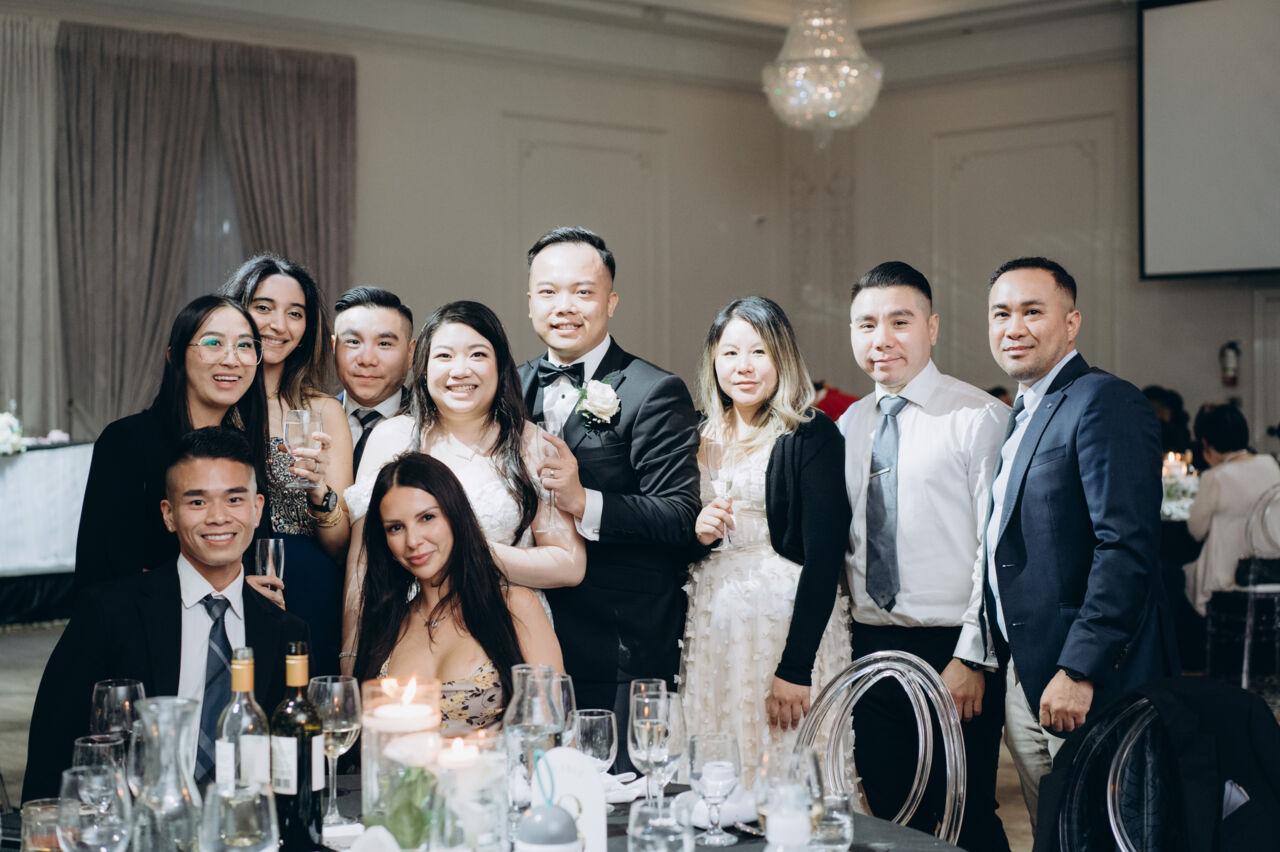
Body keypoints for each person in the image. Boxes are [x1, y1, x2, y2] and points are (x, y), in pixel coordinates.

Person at [984, 256, 1178, 825]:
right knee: (1054, 831)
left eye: (1032, 311)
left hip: (1088, 676)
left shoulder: (1103, 400)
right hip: (1026, 672)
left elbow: (1125, 546)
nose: (1013, 327)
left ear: (1071, 323)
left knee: (1103, 829)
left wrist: (1079, 669)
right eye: (1001, 313)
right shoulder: (1022, 413)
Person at [25, 427, 310, 800]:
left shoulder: (286, 632)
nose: (218, 517)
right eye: (197, 502)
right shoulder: (109, 612)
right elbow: (52, 746)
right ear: (169, 514)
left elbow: (296, 763)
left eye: (234, 499)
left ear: (257, 509)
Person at [839, 262, 1010, 849]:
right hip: (870, 647)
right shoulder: (848, 424)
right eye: (866, 324)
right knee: (889, 816)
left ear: (931, 328)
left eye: (900, 321)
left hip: (952, 649)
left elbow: (995, 550)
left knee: (965, 815)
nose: (881, 338)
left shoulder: (978, 418)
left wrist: (974, 657)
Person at [517, 226, 700, 765]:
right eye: (548, 292)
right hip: (523, 634)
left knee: (615, 789)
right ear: (530, 303)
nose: (564, 306)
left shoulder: (653, 390)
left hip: (619, 635)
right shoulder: (506, 387)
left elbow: (680, 515)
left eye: (583, 291)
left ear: (611, 302)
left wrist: (583, 501)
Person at [342, 301, 585, 669]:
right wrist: (351, 651)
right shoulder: (391, 437)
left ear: (500, 365)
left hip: (507, 629)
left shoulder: (533, 444)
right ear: (423, 366)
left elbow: (568, 564)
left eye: (477, 354)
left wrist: (466, 551)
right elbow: (363, 563)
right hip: (407, 631)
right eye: (444, 355)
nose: (460, 370)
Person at [681, 296, 850, 785]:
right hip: (710, 622)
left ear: (782, 358)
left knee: (786, 766)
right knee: (719, 755)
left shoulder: (810, 434)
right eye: (731, 353)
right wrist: (696, 535)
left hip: (782, 624)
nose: (744, 366)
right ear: (713, 360)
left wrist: (795, 667)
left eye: (759, 352)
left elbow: (824, 559)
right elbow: (673, 533)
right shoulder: (695, 432)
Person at [352, 453, 562, 736]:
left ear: (455, 516)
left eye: (427, 518)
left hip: (500, 765)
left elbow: (554, 737)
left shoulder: (515, 607)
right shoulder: (387, 623)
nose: (413, 541)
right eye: (396, 528)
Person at [73, 295, 270, 595]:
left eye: (244, 345)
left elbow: (255, 562)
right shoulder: (125, 441)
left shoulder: (245, 447)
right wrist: (224, 591)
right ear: (174, 355)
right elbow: (103, 573)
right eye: (213, 343)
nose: (231, 360)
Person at [222, 254, 352, 676]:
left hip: (310, 587)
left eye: (295, 313)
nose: (279, 325)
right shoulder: (215, 402)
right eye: (263, 308)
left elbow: (339, 546)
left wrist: (318, 491)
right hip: (228, 581)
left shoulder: (324, 411)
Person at [1184, 404, 1280, 615]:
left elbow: (1195, 530)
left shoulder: (1216, 476)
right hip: (1271, 575)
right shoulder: (1270, 465)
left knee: (1172, 574)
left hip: (1226, 581)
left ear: (1205, 443)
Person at [332, 286, 416, 471]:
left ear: (410, 353)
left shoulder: (430, 425)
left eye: (384, 344)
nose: (367, 360)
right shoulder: (311, 419)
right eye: (353, 342)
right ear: (334, 347)